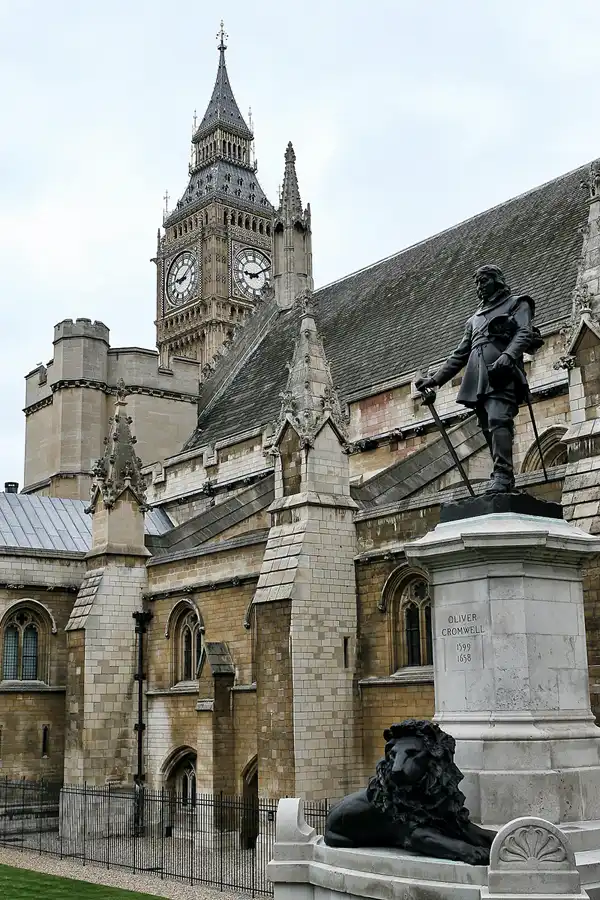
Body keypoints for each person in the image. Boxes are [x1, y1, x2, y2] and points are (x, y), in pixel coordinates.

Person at [415, 265, 539, 494]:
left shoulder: (517, 303)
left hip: (502, 374)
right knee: (487, 427)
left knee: (499, 419)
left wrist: (507, 356)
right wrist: (434, 380)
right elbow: (460, 354)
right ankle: (501, 476)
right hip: (477, 378)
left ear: (496, 281)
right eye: (477, 283)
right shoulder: (473, 320)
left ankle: (502, 475)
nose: (479, 287)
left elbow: (524, 333)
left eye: (483, 281)